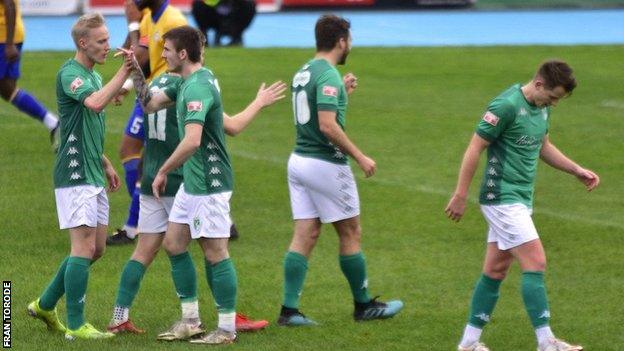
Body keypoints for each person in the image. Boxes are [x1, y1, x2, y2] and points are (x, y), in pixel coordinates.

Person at [126, 25, 285, 343]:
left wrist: (162, 171)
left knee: (215, 252)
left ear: (183, 54)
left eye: (167, 50)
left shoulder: (197, 87)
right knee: (173, 244)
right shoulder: (189, 82)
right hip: (194, 183)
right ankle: (190, 320)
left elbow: (192, 141)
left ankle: (226, 329)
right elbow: (149, 104)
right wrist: (136, 71)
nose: (163, 55)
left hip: (209, 183)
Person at [444, 60, 600, 351]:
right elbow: (475, 146)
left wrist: (576, 170)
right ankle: (546, 342)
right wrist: (460, 194)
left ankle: (468, 343)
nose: (553, 104)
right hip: (501, 197)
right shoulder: (505, 105)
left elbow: (543, 146)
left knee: (496, 269)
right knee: (536, 261)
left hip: (520, 198)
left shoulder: (541, 109)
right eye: (552, 97)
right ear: (539, 84)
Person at [277, 14, 403, 327]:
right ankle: (363, 306)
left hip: (299, 161)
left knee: (305, 233)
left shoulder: (305, 71)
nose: (351, 45)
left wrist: (341, 92)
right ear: (341, 41)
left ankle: (289, 310)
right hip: (325, 164)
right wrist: (360, 156)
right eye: (350, 40)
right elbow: (327, 125)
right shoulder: (328, 75)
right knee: (350, 232)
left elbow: (314, 115)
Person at [26, 13, 134, 340]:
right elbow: (96, 104)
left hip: (92, 169)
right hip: (74, 172)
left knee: (96, 248)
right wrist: (126, 70)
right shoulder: (70, 75)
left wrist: (106, 163)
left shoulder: (92, 75)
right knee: (82, 248)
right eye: (101, 41)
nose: (108, 46)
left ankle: (45, 304)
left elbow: (82, 126)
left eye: (108, 39)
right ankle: (76, 325)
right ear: (83, 43)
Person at [107, 0, 187, 245]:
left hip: (164, 98)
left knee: (149, 158)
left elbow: (139, 57)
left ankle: (135, 226)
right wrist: (129, 85)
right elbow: (141, 58)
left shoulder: (173, 20)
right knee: (138, 154)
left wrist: (131, 22)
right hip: (151, 92)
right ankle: (140, 221)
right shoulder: (149, 17)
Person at [1, 0, 60, 150]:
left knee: (7, 88)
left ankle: (52, 122)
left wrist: (9, 44)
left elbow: (9, 4)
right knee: (8, 89)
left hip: (4, 38)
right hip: (9, 36)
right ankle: (52, 122)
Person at [191, 0, 256, 47]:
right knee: (198, 3)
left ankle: (237, 37)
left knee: (250, 4)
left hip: (235, 14)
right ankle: (204, 40)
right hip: (213, 15)